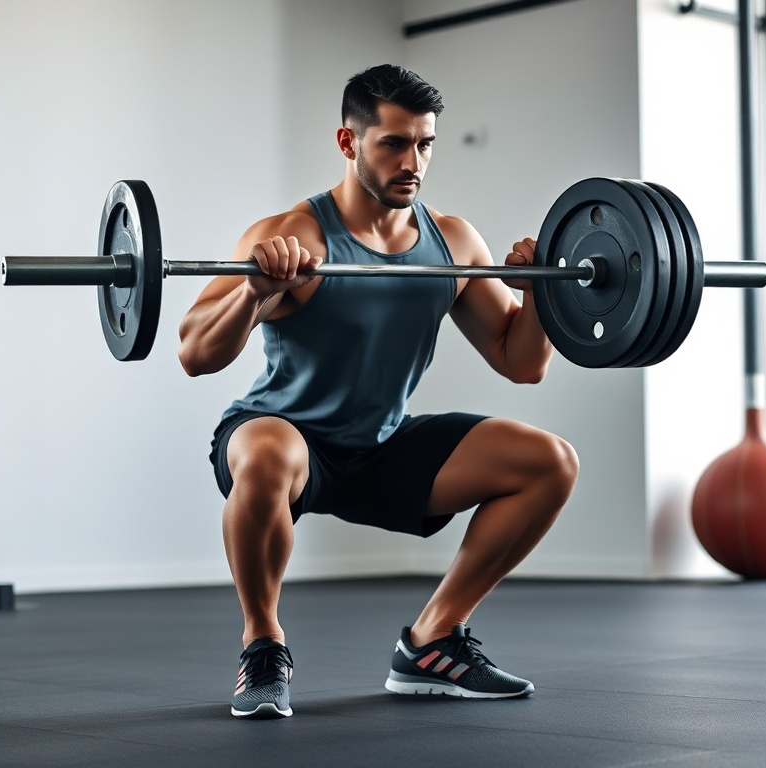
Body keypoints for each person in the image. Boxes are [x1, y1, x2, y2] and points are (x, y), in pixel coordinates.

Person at [177, 64, 579, 719]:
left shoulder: (452, 240)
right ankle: (263, 645)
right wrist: (256, 292)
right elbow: (195, 352)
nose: (412, 161)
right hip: (287, 434)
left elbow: (520, 361)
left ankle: (431, 641)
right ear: (348, 142)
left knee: (548, 462)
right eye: (393, 142)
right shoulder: (293, 235)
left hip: (383, 443)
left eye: (424, 144)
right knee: (269, 452)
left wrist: (541, 296)